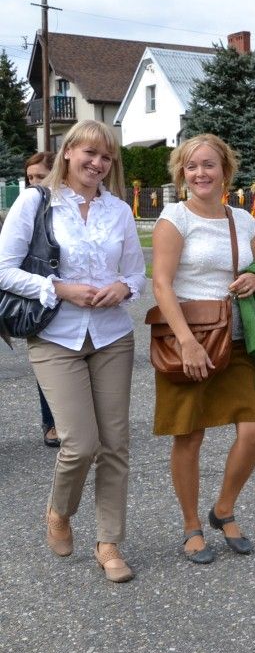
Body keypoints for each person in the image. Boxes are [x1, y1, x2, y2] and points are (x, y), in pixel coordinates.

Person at [0, 121, 146, 583]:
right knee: (80, 443)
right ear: (68, 153)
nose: (97, 164)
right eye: (89, 153)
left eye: (106, 158)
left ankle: (109, 543)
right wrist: (59, 288)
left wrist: (122, 287)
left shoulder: (119, 210)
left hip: (111, 336)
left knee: (115, 445)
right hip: (55, 336)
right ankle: (59, 511)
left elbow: (136, 275)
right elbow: (3, 270)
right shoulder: (36, 201)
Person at [151, 134, 255, 565]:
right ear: (182, 173)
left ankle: (223, 509)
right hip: (187, 338)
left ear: (225, 171)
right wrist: (186, 342)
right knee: (189, 434)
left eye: (208, 165)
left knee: (253, 430)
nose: (200, 173)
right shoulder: (174, 219)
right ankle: (190, 525)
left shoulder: (243, 220)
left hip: (237, 337)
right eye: (191, 166)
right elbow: (161, 283)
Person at [24, 152, 60, 448]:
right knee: (46, 361)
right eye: (30, 178)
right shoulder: (25, 207)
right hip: (36, 294)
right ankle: (51, 422)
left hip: (71, 296)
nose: (35, 183)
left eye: (40, 176)